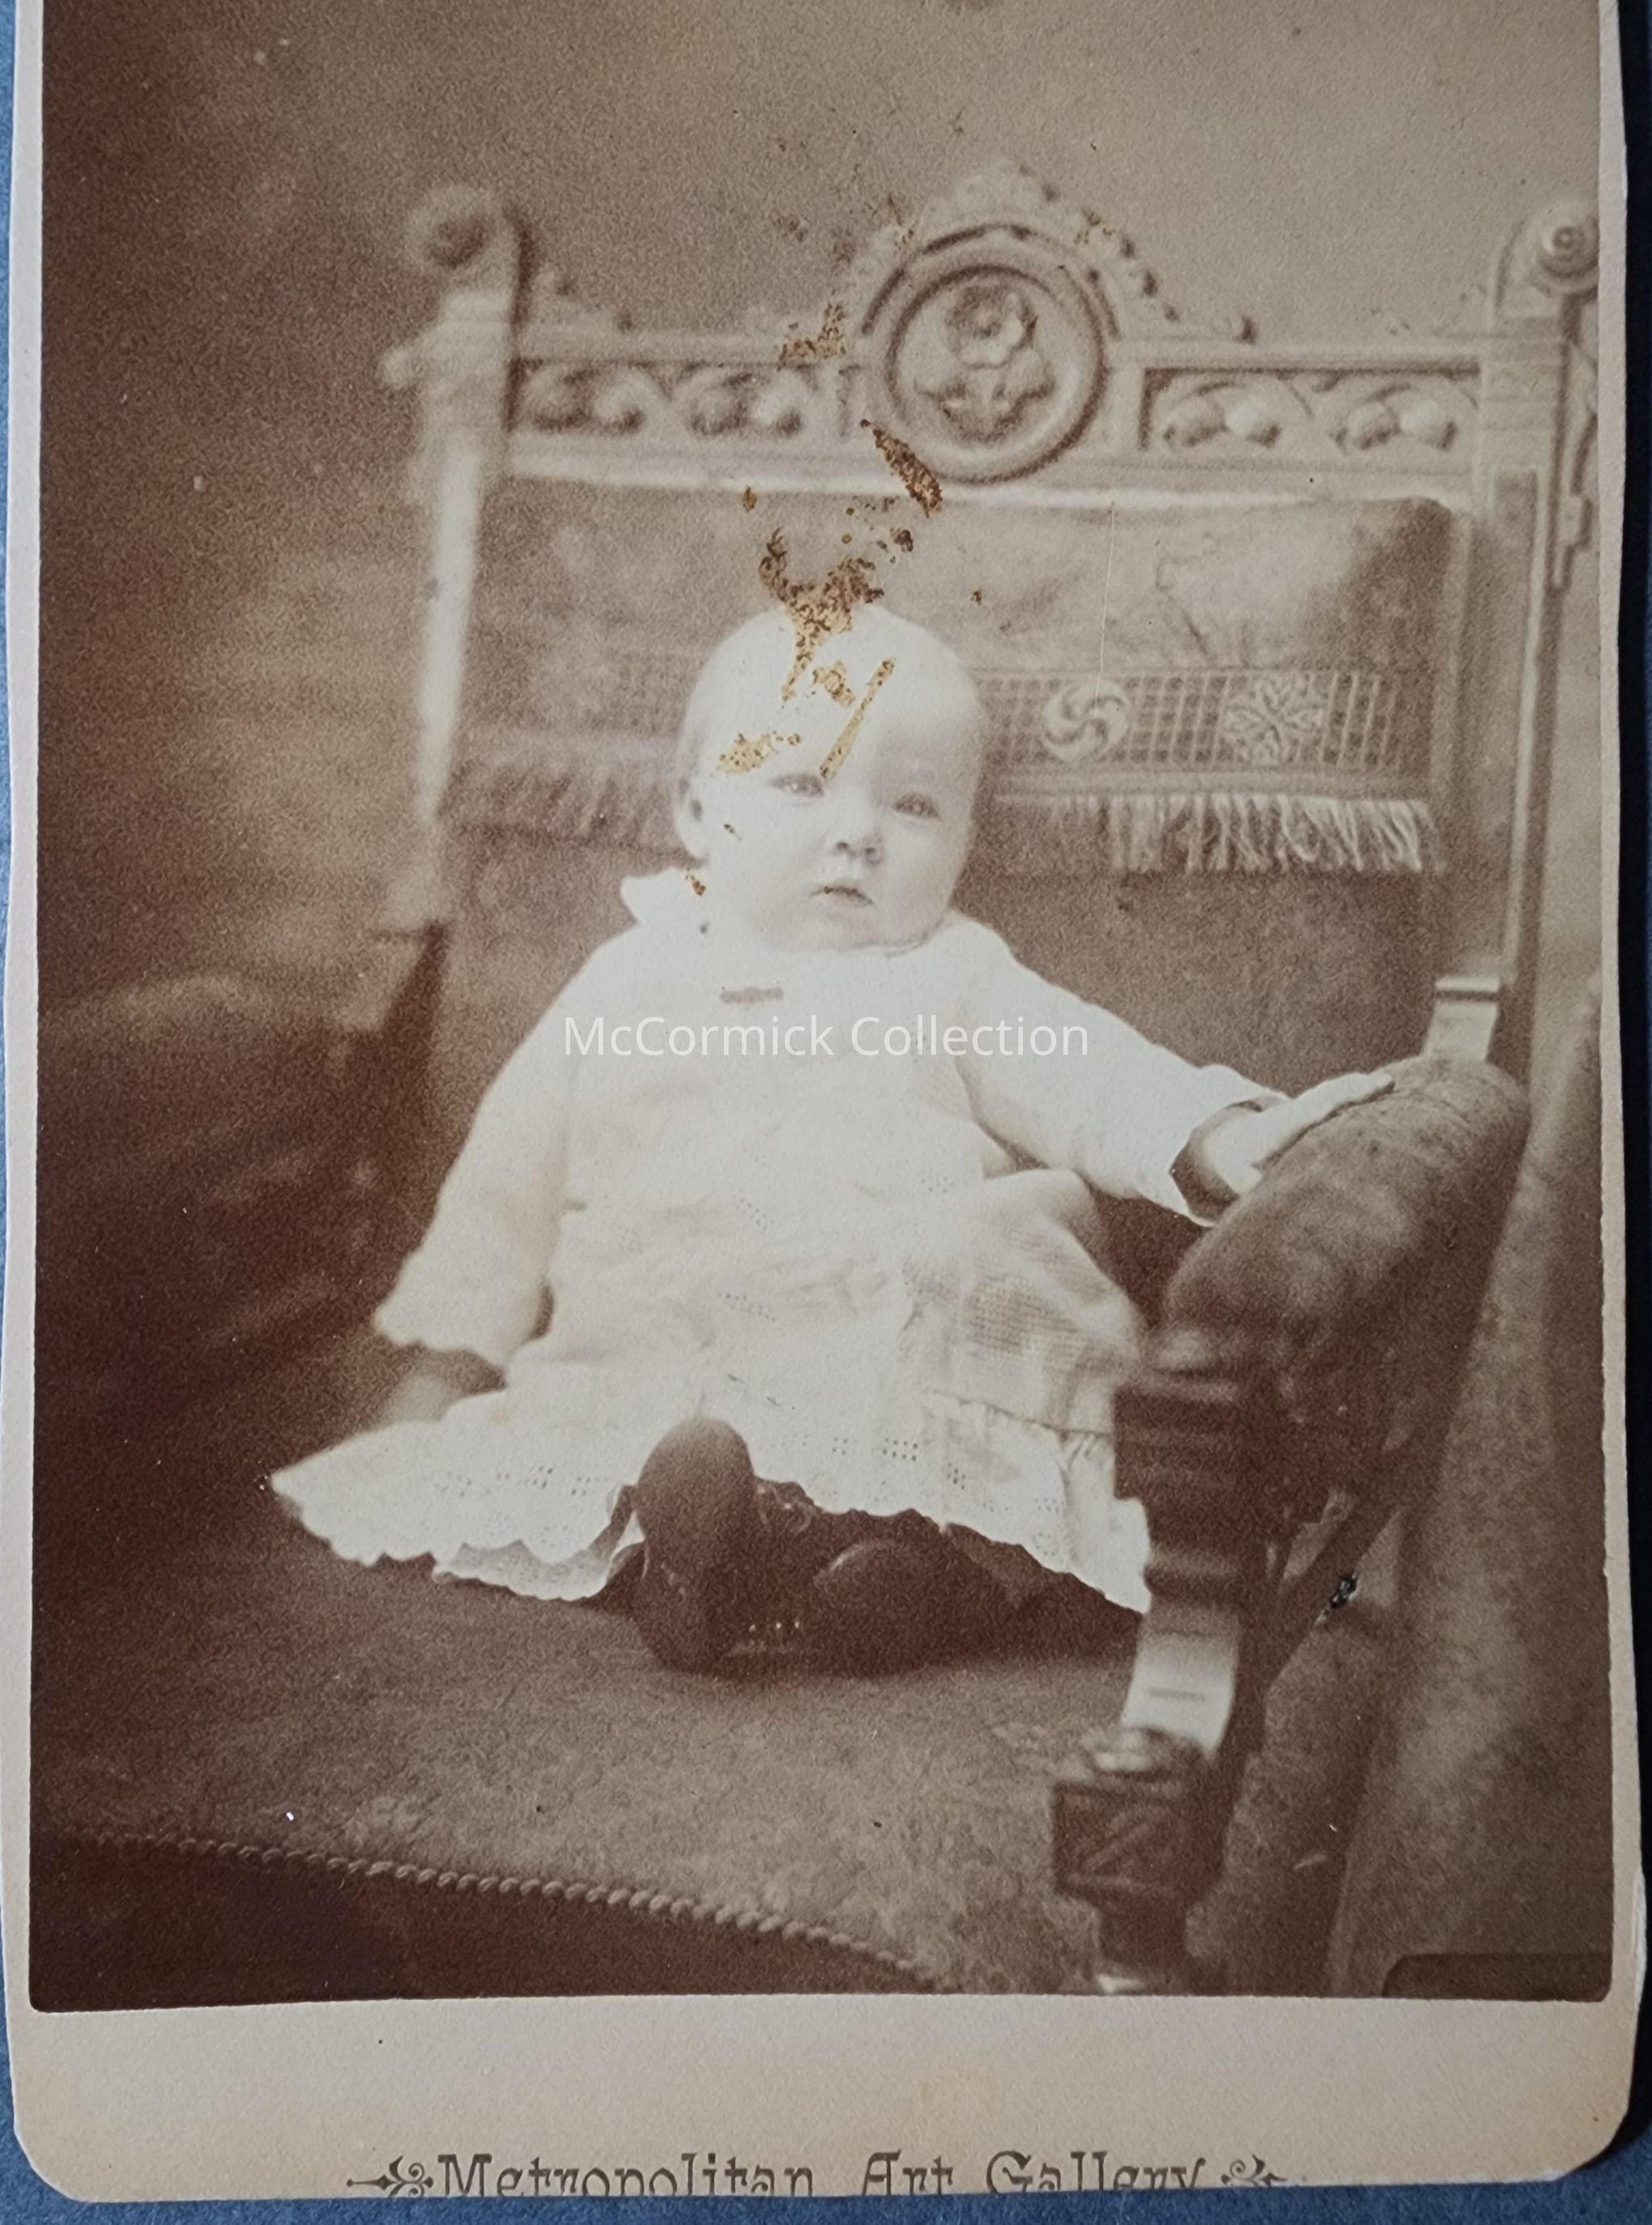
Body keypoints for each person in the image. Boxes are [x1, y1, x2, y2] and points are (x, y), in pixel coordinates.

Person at [273, 604, 1386, 1673]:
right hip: (685, 1344)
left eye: (915, 806)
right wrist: (445, 1367)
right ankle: (737, 1565)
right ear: (697, 811)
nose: (858, 831)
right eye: (803, 783)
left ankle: (908, 1576)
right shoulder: (628, 980)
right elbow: (505, 1186)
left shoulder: (955, 973)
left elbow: (1091, 1075)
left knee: (951, 1277)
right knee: (666, 1415)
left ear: (963, 844)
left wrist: (1215, 1135)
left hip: (915, 1347)